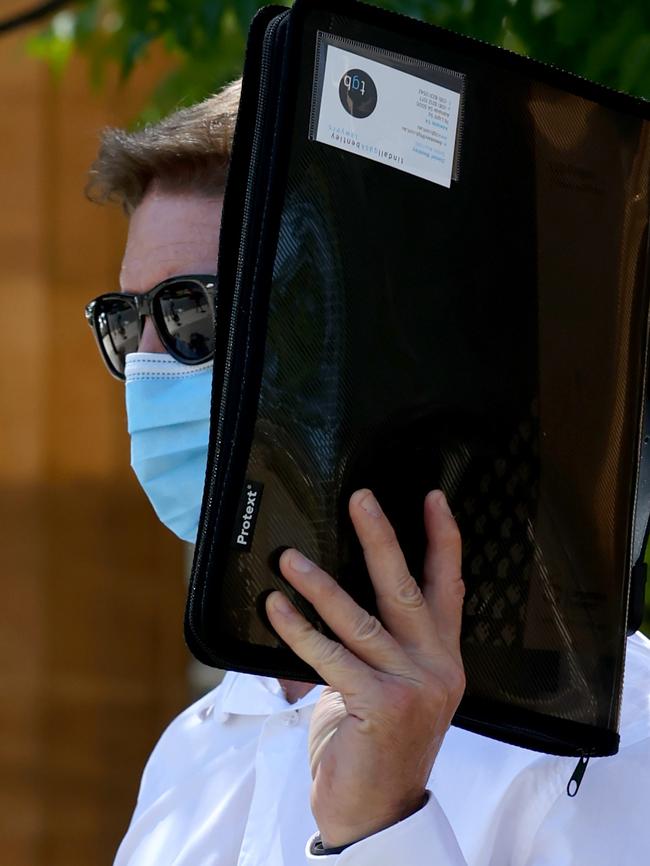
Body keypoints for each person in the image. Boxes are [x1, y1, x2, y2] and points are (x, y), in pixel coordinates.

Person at [85, 79, 650, 865]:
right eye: (123, 321)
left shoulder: (606, 731)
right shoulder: (191, 752)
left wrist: (386, 823)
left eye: (188, 315)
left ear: (354, 341)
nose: (146, 365)